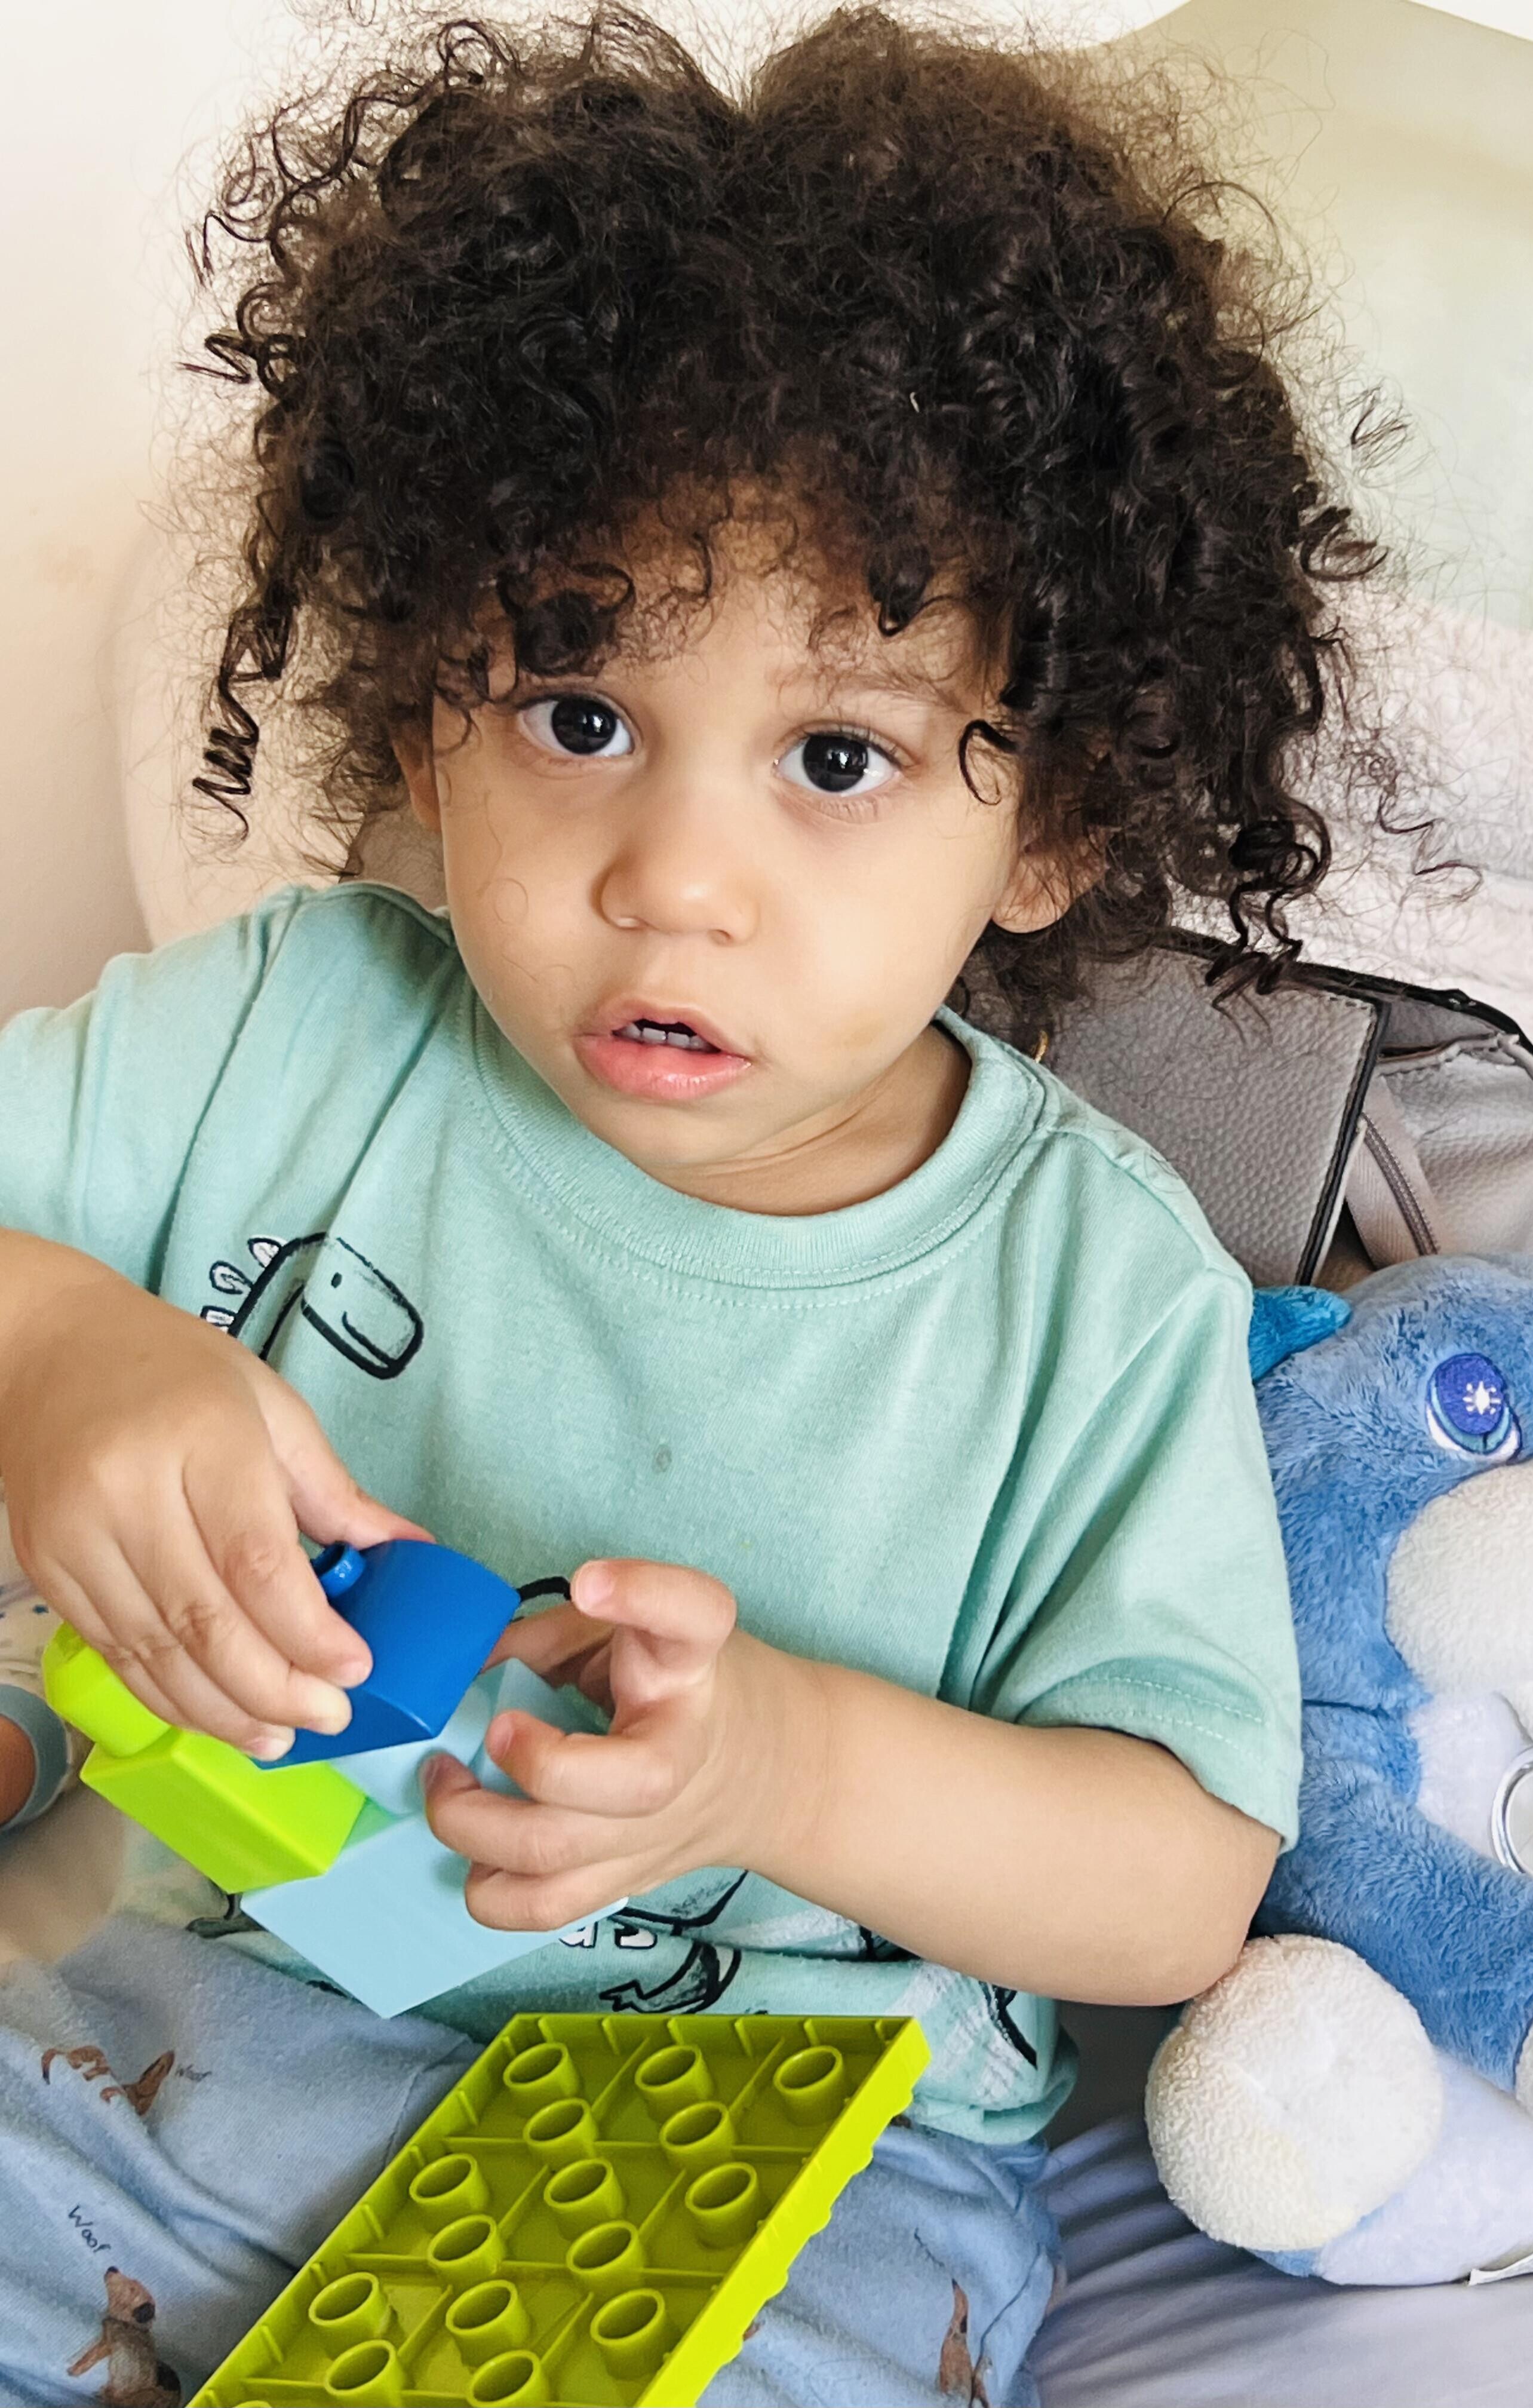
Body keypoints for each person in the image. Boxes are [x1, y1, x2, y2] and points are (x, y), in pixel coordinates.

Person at [0, 9, 1389, 2401]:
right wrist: (56, 1355)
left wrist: (776, 1770)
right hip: (154, 2010)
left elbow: (1176, 1882)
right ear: (431, 711)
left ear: (1049, 823)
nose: (673, 878)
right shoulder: (278, 1034)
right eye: (579, 715)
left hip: (752, 2128)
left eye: (835, 755)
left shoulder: (1085, 1287)